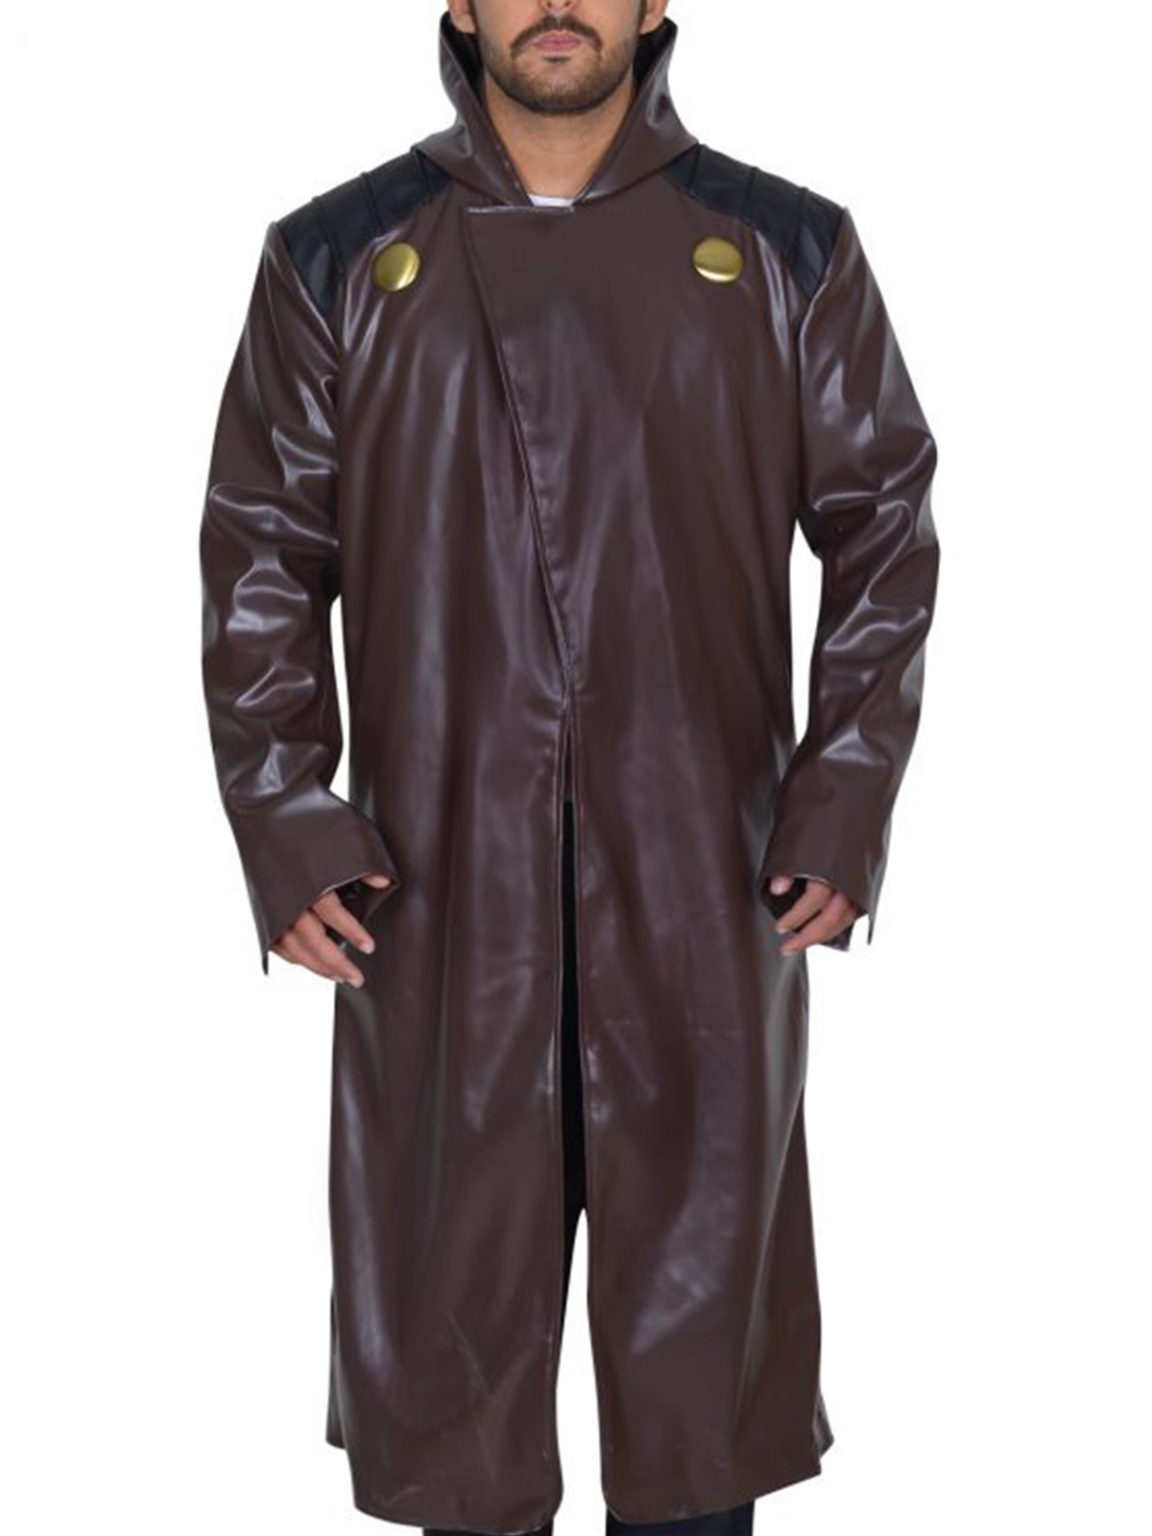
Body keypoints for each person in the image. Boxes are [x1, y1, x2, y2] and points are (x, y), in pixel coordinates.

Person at [199, 3, 940, 1533]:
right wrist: (288, 816)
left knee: (697, 1403)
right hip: (437, 892)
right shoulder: (334, 257)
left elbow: (884, 526)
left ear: (655, 2)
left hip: (706, 881)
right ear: (459, 4)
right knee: (458, 1408)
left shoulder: (786, 250)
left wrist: (841, 795)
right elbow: (262, 554)